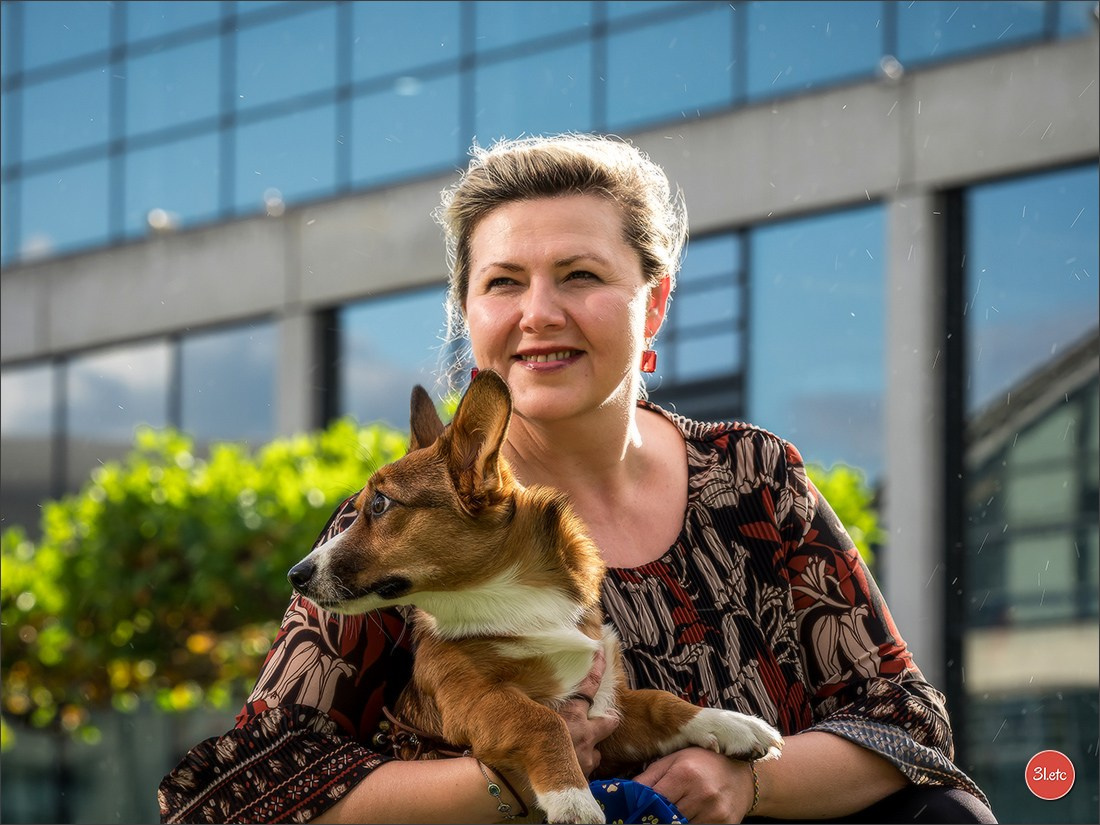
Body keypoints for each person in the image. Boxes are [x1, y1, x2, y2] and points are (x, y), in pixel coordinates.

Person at [158, 133, 995, 824]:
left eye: (581, 275)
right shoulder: (391, 527)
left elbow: (905, 722)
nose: (540, 313)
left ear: (654, 303)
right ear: (468, 314)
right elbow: (236, 797)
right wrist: (504, 776)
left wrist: (748, 783)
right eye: (503, 282)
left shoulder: (754, 477)